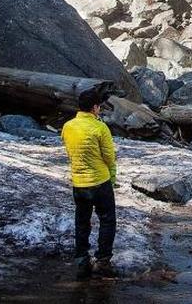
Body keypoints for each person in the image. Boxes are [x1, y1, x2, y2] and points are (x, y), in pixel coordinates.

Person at [61, 89, 118, 280]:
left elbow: (70, 152)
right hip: (100, 182)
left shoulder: (68, 126)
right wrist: (112, 176)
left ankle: (82, 260)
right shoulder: (100, 128)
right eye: (99, 106)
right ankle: (102, 261)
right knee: (107, 220)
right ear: (94, 107)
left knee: (82, 221)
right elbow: (109, 157)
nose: (99, 110)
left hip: (79, 183)